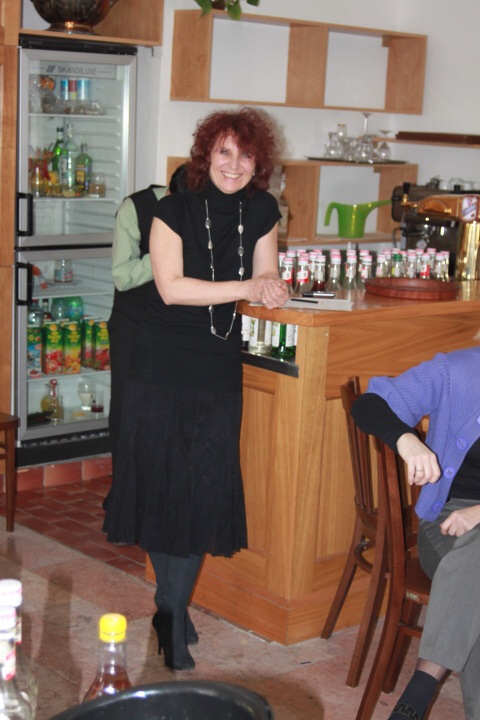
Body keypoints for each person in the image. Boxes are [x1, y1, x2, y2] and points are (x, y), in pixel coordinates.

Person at [103, 107, 290, 671]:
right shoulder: (172, 209)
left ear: (258, 163)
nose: (234, 164)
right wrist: (247, 286)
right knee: (163, 488)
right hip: (159, 364)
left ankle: (170, 605)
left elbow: (265, 273)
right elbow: (171, 288)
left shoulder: (263, 209)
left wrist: (273, 288)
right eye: (223, 152)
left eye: (245, 155)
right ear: (205, 156)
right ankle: (173, 614)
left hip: (217, 366)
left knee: (202, 489)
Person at [350, 346, 480, 720]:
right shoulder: (457, 371)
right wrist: (406, 440)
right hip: (448, 521)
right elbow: (370, 404)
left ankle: (413, 701)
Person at [107, 166, 186, 461]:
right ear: (170, 195)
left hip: (175, 325)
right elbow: (122, 275)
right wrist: (164, 254)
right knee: (128, 408)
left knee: (168, 411)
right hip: (133, 324)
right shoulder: (135, 208)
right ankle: (122, 486)